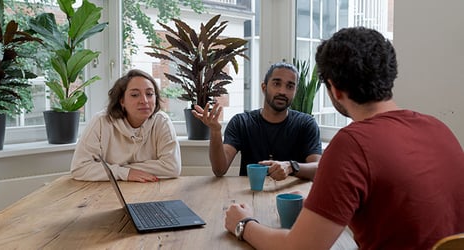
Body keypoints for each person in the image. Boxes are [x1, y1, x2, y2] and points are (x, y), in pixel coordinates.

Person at [224, 27, 464, 249]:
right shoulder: (439, 128)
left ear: (335, 89)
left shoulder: (352, 144)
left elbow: (297, 248)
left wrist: (244, 224)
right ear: (389, 76)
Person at [192, 62, 322, 181]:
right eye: (277, 84)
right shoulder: (241, 122)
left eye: (290, 86)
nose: (283, 91)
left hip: (290, 198)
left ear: (295, 91)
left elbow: (318, 169)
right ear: (264, 87)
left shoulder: (306, 124)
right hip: (249, 197)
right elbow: (219, 170)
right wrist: (215, 132)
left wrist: (291, 167)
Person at [70, 69, 181, 182]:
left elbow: (172, 167)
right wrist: (124, 173)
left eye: (149, 94)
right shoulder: (101, 122)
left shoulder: (162, 121)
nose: (144, 100)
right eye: (134, 95)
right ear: (121, 101)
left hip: (150, 188)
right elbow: (79, 168)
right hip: (107, 191)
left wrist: (114, 169)